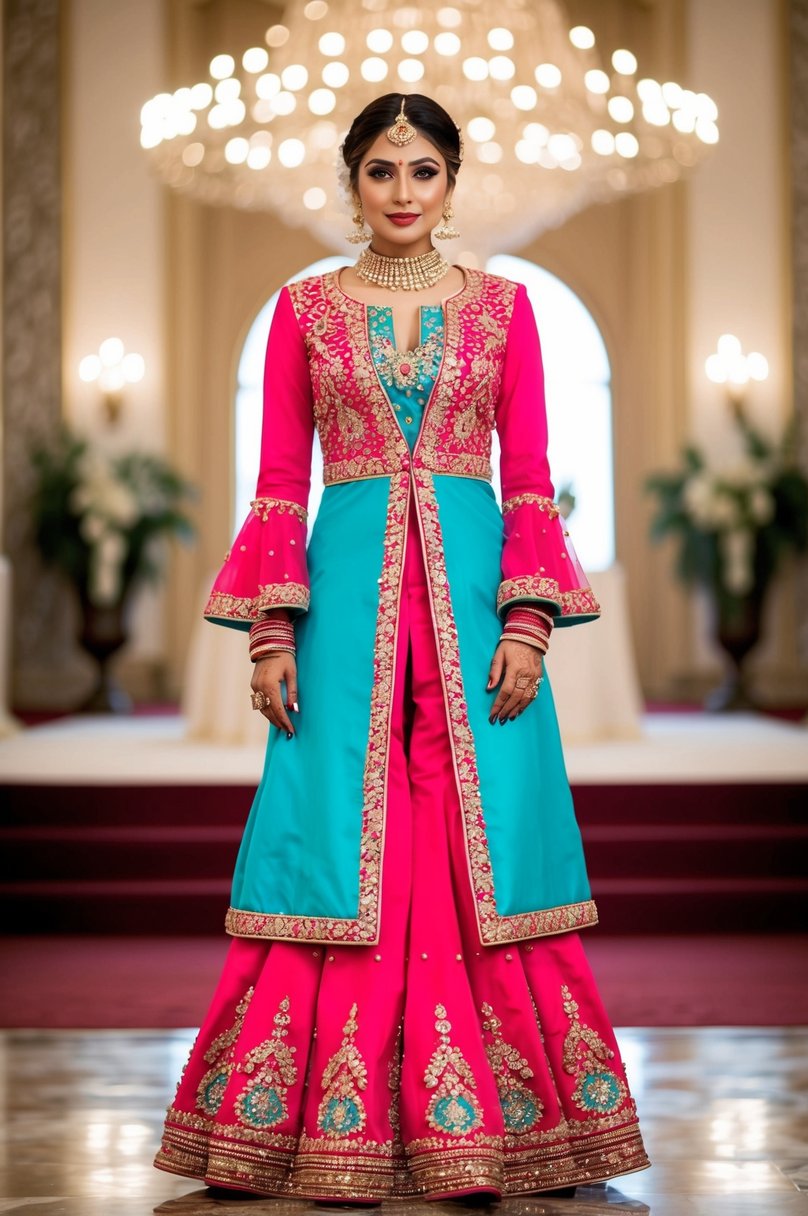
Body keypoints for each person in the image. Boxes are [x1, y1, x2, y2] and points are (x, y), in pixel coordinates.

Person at [155, 92, 649, 1204]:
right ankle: (301, 1124)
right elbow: (281, 481)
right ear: (353, 182)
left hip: (473, 592)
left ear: (451, 182)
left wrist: (527, 624)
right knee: (339, 825)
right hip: (346, 594)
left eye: (422, 171)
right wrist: (271, 633)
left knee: (485, 832)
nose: (402, 193)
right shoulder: (305, 313)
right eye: (382, 171)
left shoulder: (506, 312)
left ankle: (513, 1124)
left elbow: (527, 475)